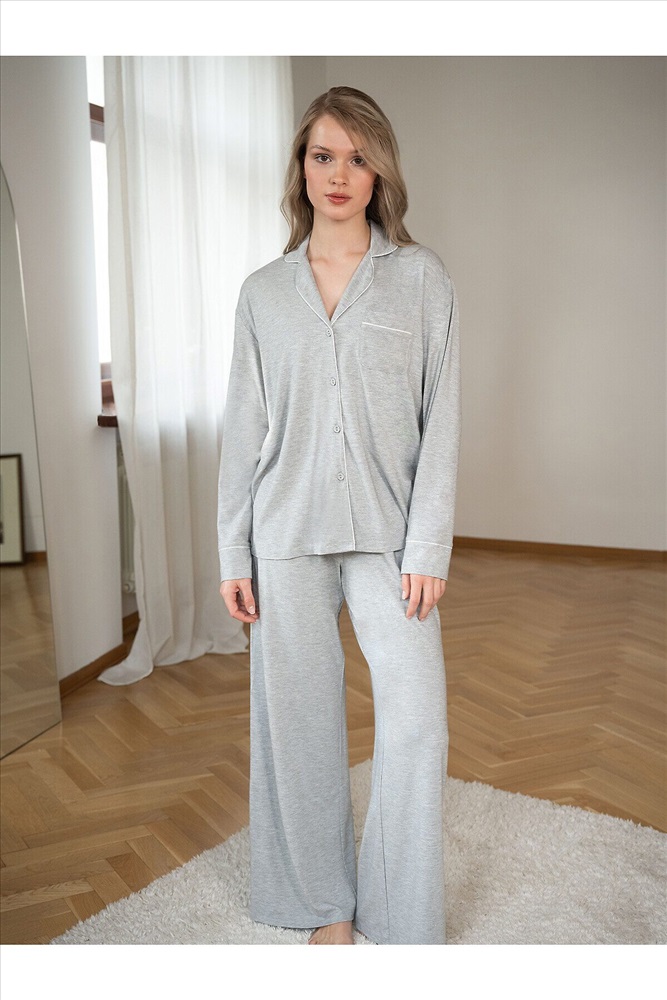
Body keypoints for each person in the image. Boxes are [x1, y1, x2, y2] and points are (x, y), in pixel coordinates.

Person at [217, 86, 461, 945]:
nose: (339, 174)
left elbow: (440, 420)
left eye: (358, 158)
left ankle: (401, 914)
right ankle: (322, 902)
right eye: (323, 155)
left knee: (417, 720)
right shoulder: (262, 294)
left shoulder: (421, 279)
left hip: (390, 537)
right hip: (283, 534)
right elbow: (242, 431)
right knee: (298, 726)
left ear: (379, 171)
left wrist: (428, 544)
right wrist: (232, 553)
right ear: (301, 167)